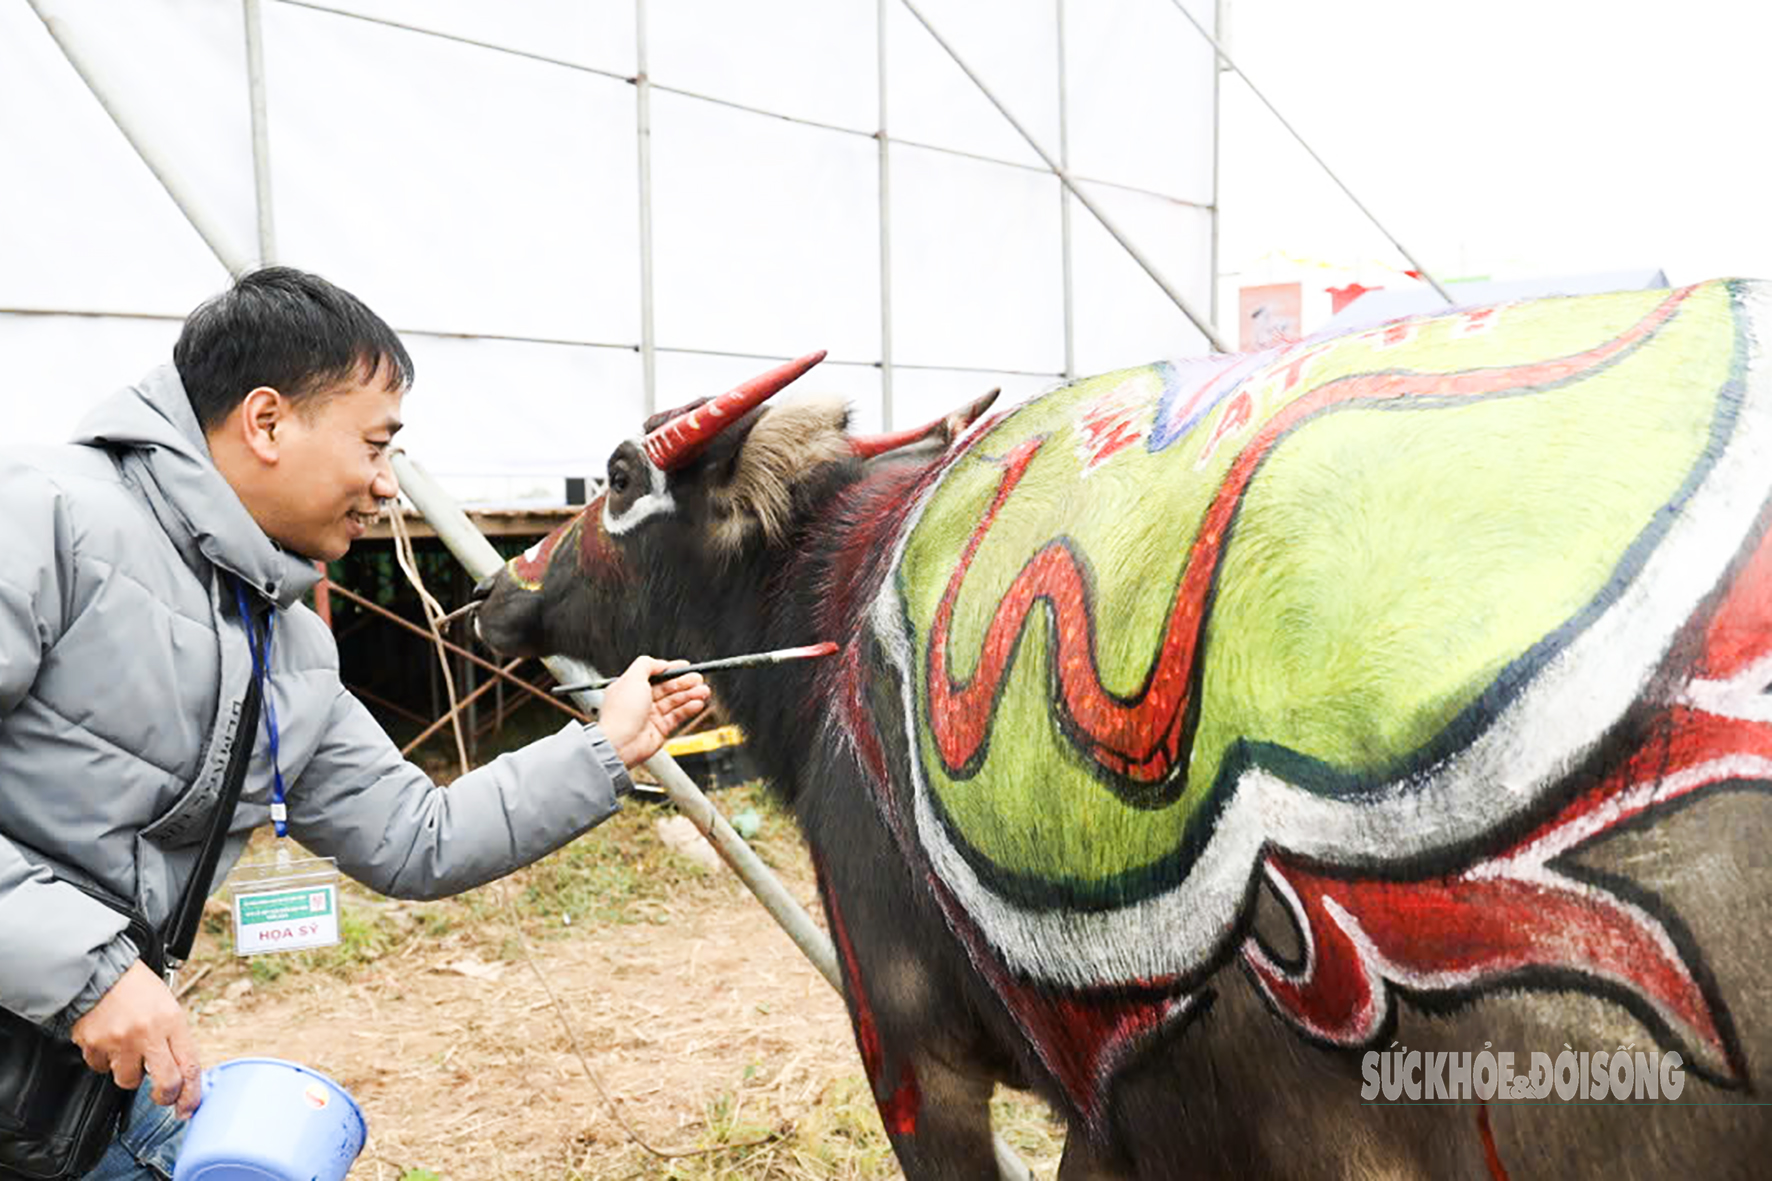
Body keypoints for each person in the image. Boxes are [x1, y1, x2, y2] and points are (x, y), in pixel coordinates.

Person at [0, 266, 711, 1179]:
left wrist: (606, 748)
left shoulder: (287, 644)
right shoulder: (47, 517)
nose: (384, 486)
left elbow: (419, 836)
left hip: (69, 1092)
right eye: (375, 446)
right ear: (267, 422)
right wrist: (90, 971)